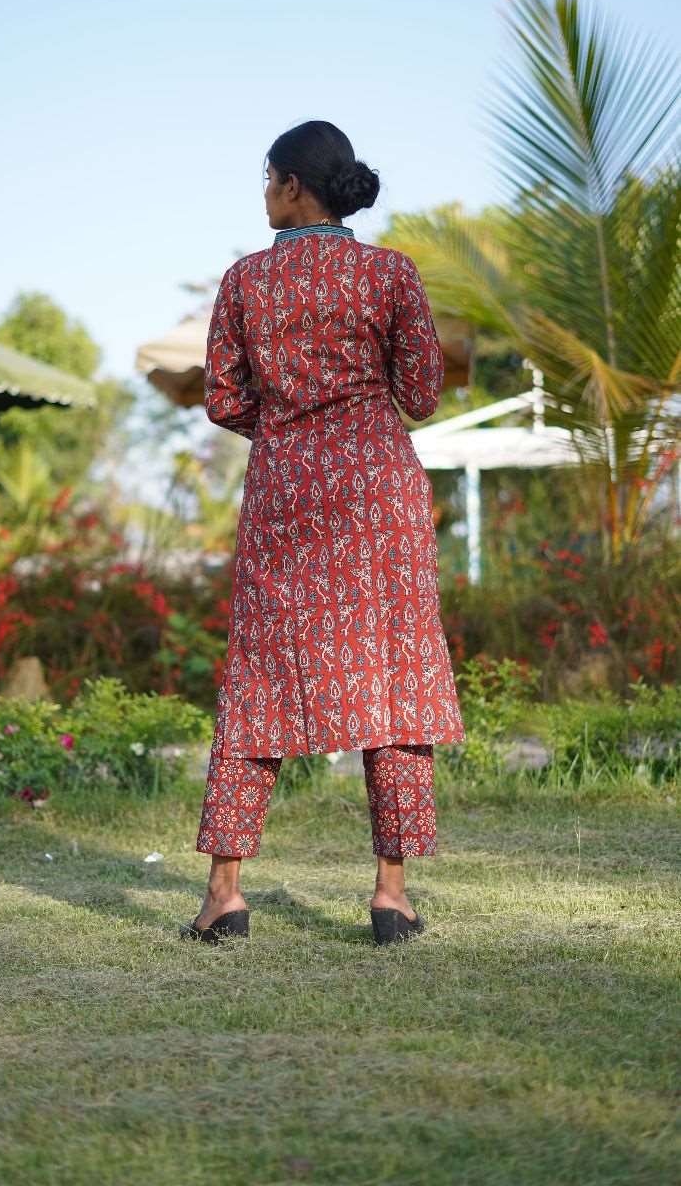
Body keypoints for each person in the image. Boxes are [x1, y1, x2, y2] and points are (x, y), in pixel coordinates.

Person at [181, 119, 465, 947]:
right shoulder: (388, 275)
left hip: (285, 498)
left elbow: (225, 400)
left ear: (294, 186)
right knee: (395, 679)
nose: (263, 193)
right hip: (379, 496)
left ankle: (224, 894)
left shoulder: (243, 283)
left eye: (267, 179)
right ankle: (390, 894)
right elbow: (419, 392)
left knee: (258, 682)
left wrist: (290, 429)